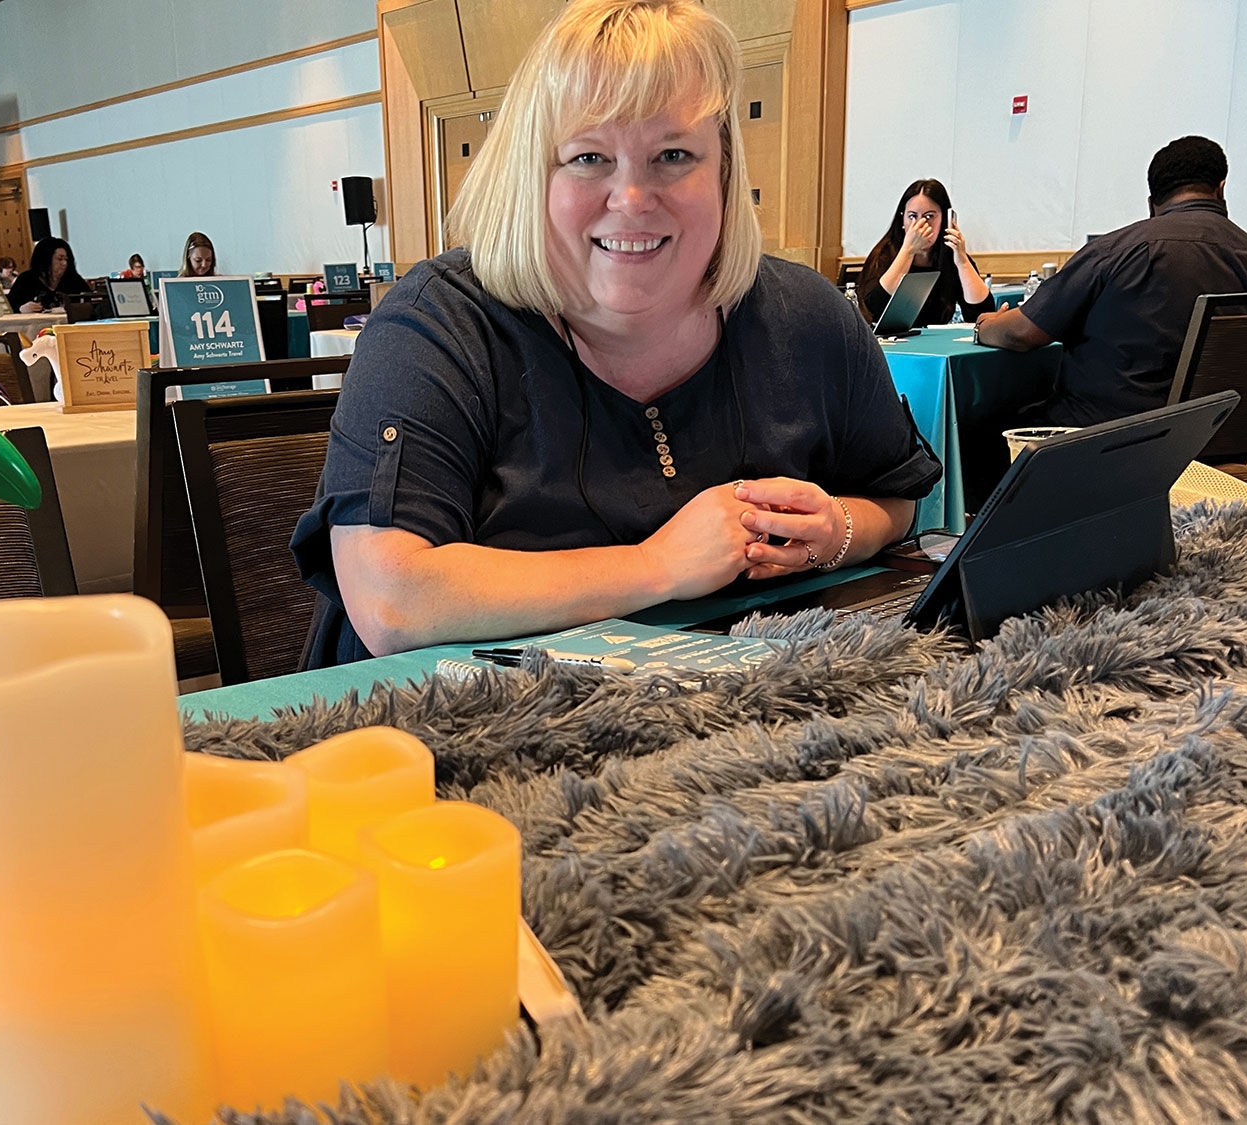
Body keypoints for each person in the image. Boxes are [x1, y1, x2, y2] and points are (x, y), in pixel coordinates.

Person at [290, 0, 940, 666]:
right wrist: (657, 564)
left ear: (723, 172)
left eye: (674, 155)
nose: (632, 198)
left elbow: (898, 498)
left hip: (744, 725)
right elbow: (392, 599)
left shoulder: (807, 317)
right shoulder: (435, 325)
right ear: (531, 176)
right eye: (589, 157)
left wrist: (838, 531)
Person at [974, 136, 1247, 426]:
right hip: (1222, 439)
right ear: (1221, 189)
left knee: (980, 427)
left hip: (1104, 441)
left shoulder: (1117, 251)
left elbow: (1022, 333)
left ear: (1152, 203)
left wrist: (984, 326)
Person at [858, 178, 994, 326]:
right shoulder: (884, 254)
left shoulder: (949, 256)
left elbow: (982, 313)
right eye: (912, 216)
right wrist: (908, 250)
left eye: (929, 216)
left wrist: (962, 261)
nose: (920, 225)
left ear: (944, 219)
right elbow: (873, 310)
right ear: (902, 220)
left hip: (937, 343)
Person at [7, 237, 87, 312]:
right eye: (60, 259)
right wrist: (21, 308)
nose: (64, 263)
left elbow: (89, 301)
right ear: (45, 260)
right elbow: (9, 306)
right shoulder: (26, 279)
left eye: (66, 259)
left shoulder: (73, 280)